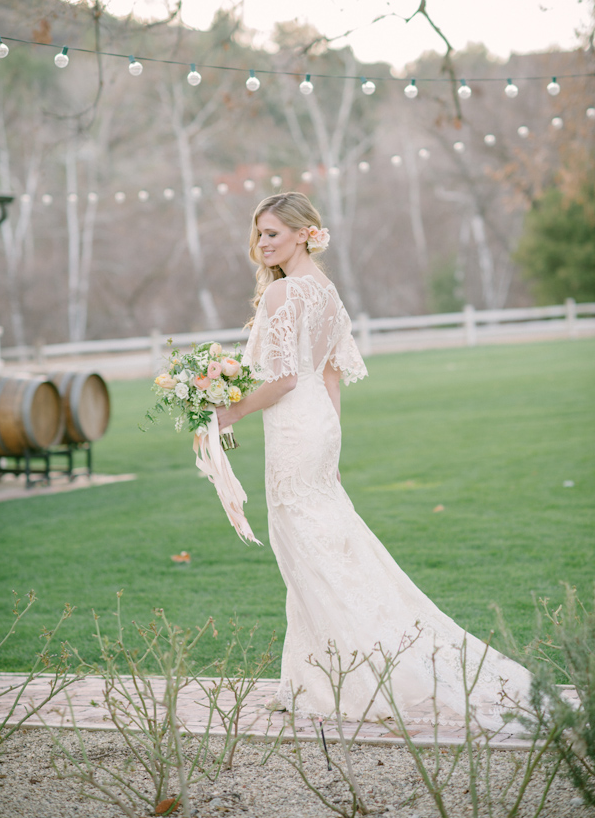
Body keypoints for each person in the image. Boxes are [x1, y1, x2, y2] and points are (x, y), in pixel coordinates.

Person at [216, 191, 531, 727]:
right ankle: (305, 677)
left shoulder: (283, 296)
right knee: (315, 548)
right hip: (318, 424)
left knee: (307, 551)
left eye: (272, 233)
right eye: (259, 234)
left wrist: (230, 414)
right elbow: (331, 375)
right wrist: (333, 440)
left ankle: (354, 677)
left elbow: (285, 379)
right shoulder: (328, 294)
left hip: (296, 425)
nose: (262, 243)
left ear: (302, 233)